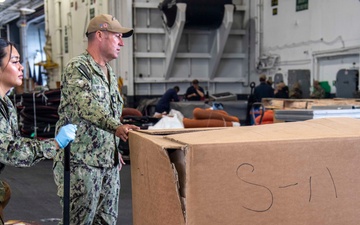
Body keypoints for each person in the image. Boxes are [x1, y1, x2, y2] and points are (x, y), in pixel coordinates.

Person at [53, 14, 140, 224]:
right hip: (81, 165)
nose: (121, 43)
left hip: (107, 165)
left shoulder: (109, 73)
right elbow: (87, 106)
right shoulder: (78, 68)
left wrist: (114, 148)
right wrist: (116, 127)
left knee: (106, 221)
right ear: (100, 35)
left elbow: (108, 112)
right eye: (117, 36)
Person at [0, 38, 76, 224]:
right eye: (15, 61)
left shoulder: (6, 103)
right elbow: (10, 151)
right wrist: (55, 143)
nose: (21, 68)